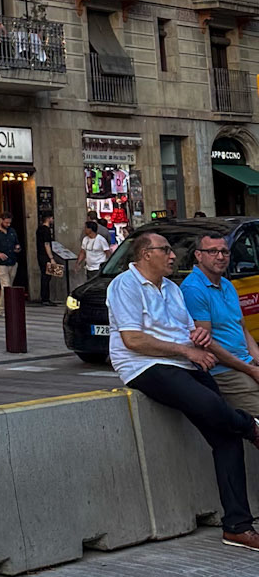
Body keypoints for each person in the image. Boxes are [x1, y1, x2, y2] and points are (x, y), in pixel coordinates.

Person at [108, 228, 259, 549]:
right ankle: (252, 427)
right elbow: (132, 340)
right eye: (165, 250)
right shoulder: (125, 285)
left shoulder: (172, 289)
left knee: (226, 436)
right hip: (146, 366)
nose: (173, 255)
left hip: (184, 363)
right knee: (212, 406)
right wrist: (185, 351)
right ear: (146, 254)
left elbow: (188, 331)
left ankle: (237, 526)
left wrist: (198, 340)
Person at [179, 229, 259, 415]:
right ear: (198, 255)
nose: (220, 257)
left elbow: (242, 329)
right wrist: (250, 370)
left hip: (245, 363)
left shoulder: (227, 284)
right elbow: (206, 344)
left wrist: (257, 362)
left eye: (224, 251)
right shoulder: (193, 289)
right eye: (212, 251)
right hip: (224, 370)